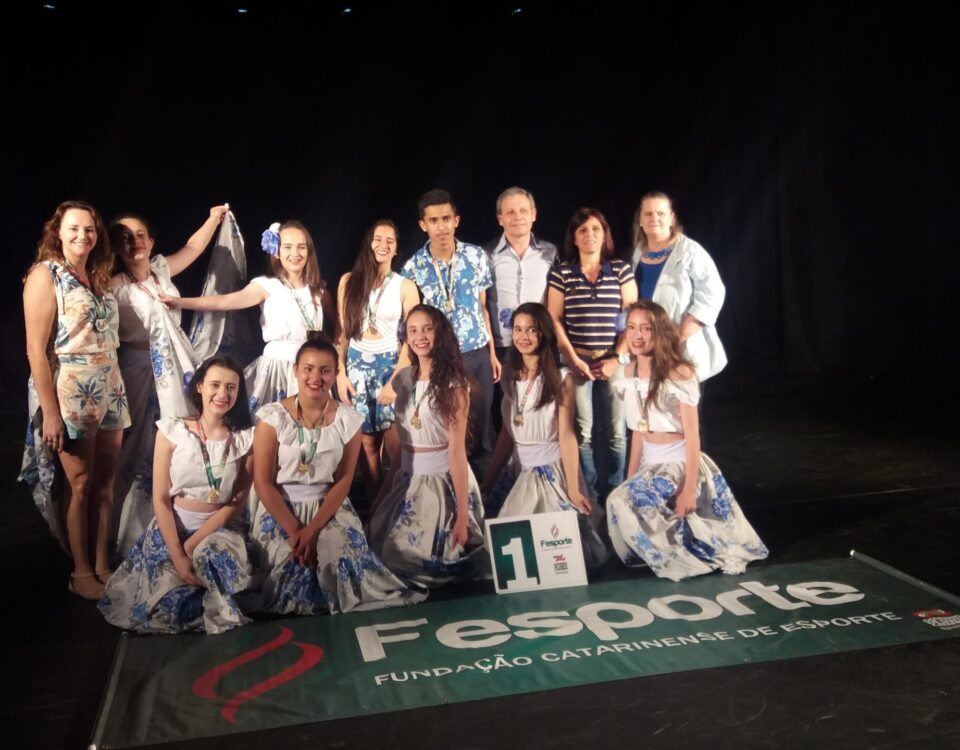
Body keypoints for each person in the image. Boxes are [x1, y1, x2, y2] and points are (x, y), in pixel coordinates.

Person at [246, 336, 424, 614]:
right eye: (308, 369)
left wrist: (313, 530)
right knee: (292, 571)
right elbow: (262, 483)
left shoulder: (348, 420)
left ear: (335, 373)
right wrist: (296, 531)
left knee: (339, 556)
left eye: (324, 370)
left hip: (329, 507)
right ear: (296, 370)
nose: (315, 378)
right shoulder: (272, 418)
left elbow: (343, 481)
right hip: (281, 509)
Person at [606, 301, 767, 580]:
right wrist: (630, 477)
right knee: (622, 498)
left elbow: (692, 435)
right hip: (650, 464)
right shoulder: (628, 373)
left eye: (645, 328)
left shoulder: (679, 373)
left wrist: (689, 488)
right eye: (631, 328)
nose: (637, 335)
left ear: (659, 332)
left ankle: (682, 561)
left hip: (678, 462)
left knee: (623, 501)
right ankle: (668, 552)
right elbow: (638, 431)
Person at [20, 201, 131, 600]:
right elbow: (36, 350)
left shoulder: (97, 277)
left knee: (105, 483)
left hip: (111, 385)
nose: (82, 235)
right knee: (80, 483)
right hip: (73, 387)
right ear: (58, 232)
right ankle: (80, 570)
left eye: (89, 229)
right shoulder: (45, 274)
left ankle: (102, 564)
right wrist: (50, 412)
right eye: (74, 228)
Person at [98, 356, 255, 633]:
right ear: (200, 387)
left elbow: (237, 500)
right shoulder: (172, 431)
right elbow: (161, 498)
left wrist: (194, 542)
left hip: (216, 531)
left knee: (213, 582)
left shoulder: (245, 439)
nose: (222, 394)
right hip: (173, 529)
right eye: (215, 385)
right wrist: (179, 554)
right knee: (168, 606)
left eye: (230, 387)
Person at [109, 206, 231, 556]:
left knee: (177, 441)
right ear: (116, 247)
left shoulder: (160, 270)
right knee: (138, 447)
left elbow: (193, 248)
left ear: (151, 241)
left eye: (140, 236)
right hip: (137, 369)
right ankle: (129, 531)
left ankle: (174, 523)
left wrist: (213, 219)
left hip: (175, 369)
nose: (134, 242)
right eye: (125, 238)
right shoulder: (114, 285)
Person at [368, 304, 487, 587]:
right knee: (381, 549)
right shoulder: (403, 379)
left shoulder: (454, 384)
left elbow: (456, 451)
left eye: (427, 329)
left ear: (440, 333)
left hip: (440, 484)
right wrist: (381, 497)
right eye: (413, 330)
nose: (419, 336)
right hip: (407, 481)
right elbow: (402, 449)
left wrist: (462, 516)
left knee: (416, 557)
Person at [483, 303, 608, 569]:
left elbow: (567, 434)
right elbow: (507, 432)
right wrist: (490, 479)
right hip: (518, 469)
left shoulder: (561, 378)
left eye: (531, 330)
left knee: (554, 547)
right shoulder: (509, 376)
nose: (523, 336)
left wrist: (573, 488)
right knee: (501, 546)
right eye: (518, 329)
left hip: (549, 470)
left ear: (544, 333)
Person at [161, 220, 335, 411]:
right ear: (277, 252)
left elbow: (341, 323)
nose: (295, 253)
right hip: (278, 369)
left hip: (313, 368)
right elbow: (224, 301)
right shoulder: (267, 286)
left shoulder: (318, 290)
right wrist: (180, 302)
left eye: (301, 247)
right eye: (288, 247)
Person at [401, 189, 499, 478]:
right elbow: (412, 321)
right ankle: (450, 489)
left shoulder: (476, 256)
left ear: (456, 220)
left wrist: (492, 353)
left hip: (477, 354)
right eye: (434, 220)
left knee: (481, 428)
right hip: (440, 358)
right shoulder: (413, 268)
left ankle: (483, 494)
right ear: (423, 225)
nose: (441, 226)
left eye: (446, 219)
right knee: (447, 429)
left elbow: (483, 307)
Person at [546, 207, 638, 499]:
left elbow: (631, 317)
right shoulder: (562, 273)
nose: (590, 235)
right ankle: (589, 494)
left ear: (605, 234)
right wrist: (573, 360)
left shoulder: (621, 270)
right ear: (574, 237)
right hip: (577, 361)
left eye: (596, 229)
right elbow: (554, 318)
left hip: (614, 359)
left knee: (616, 431)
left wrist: (617, 358)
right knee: (582, 431)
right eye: (583, 230)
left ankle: (615, 491)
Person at [336, 220, 419, 501]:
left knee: (397, 446)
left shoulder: (405, 286)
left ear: (396, 249)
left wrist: (395, 381)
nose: (383, 245)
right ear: (368, 243)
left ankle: (402, 505)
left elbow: (413, 337)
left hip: (392, 367)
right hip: (356, 370)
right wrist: (340, 374)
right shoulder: (348, 281)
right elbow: (342, 333)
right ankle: (376, 507)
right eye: (378, 239)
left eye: (389, 241)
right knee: (367, 445)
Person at [630, 192, 726, 381]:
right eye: (648, 213)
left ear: (671, 218)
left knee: (681, 397)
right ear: (640, 220)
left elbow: (712, 294)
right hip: (647, 347)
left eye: (660, 213)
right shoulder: (638, 253)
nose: (654, 218)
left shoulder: (691, 251)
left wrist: (679, 335)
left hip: (683, 348)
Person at [483, 187, 558, 360]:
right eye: (510, 212)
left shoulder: (550, 252)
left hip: (540, 341)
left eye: (523, 211)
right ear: (500, 219)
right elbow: (482, 303)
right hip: (503, 345)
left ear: (533, 214)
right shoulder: (486, 254)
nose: (518, 217)